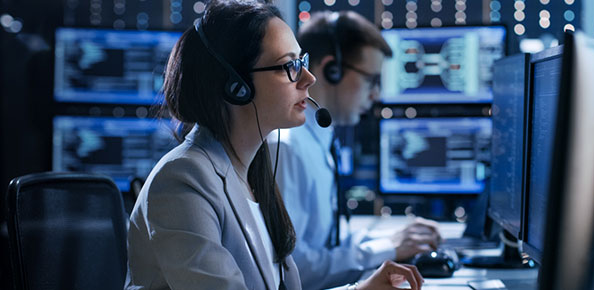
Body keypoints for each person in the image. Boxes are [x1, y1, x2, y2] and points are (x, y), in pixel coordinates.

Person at [125, 1, 424, 290]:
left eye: (302, 62)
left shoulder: (254, 172)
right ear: (236, 85)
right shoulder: (183, 181)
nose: (309, 78)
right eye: (288, 66)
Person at [267, 11, 441, 290]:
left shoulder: (319, 140)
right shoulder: (287, 149)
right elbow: (294, 271)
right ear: (331, 70)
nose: (375, 95)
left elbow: (326, 241)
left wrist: (393, 242)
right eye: (371, 80)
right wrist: (387, 248)